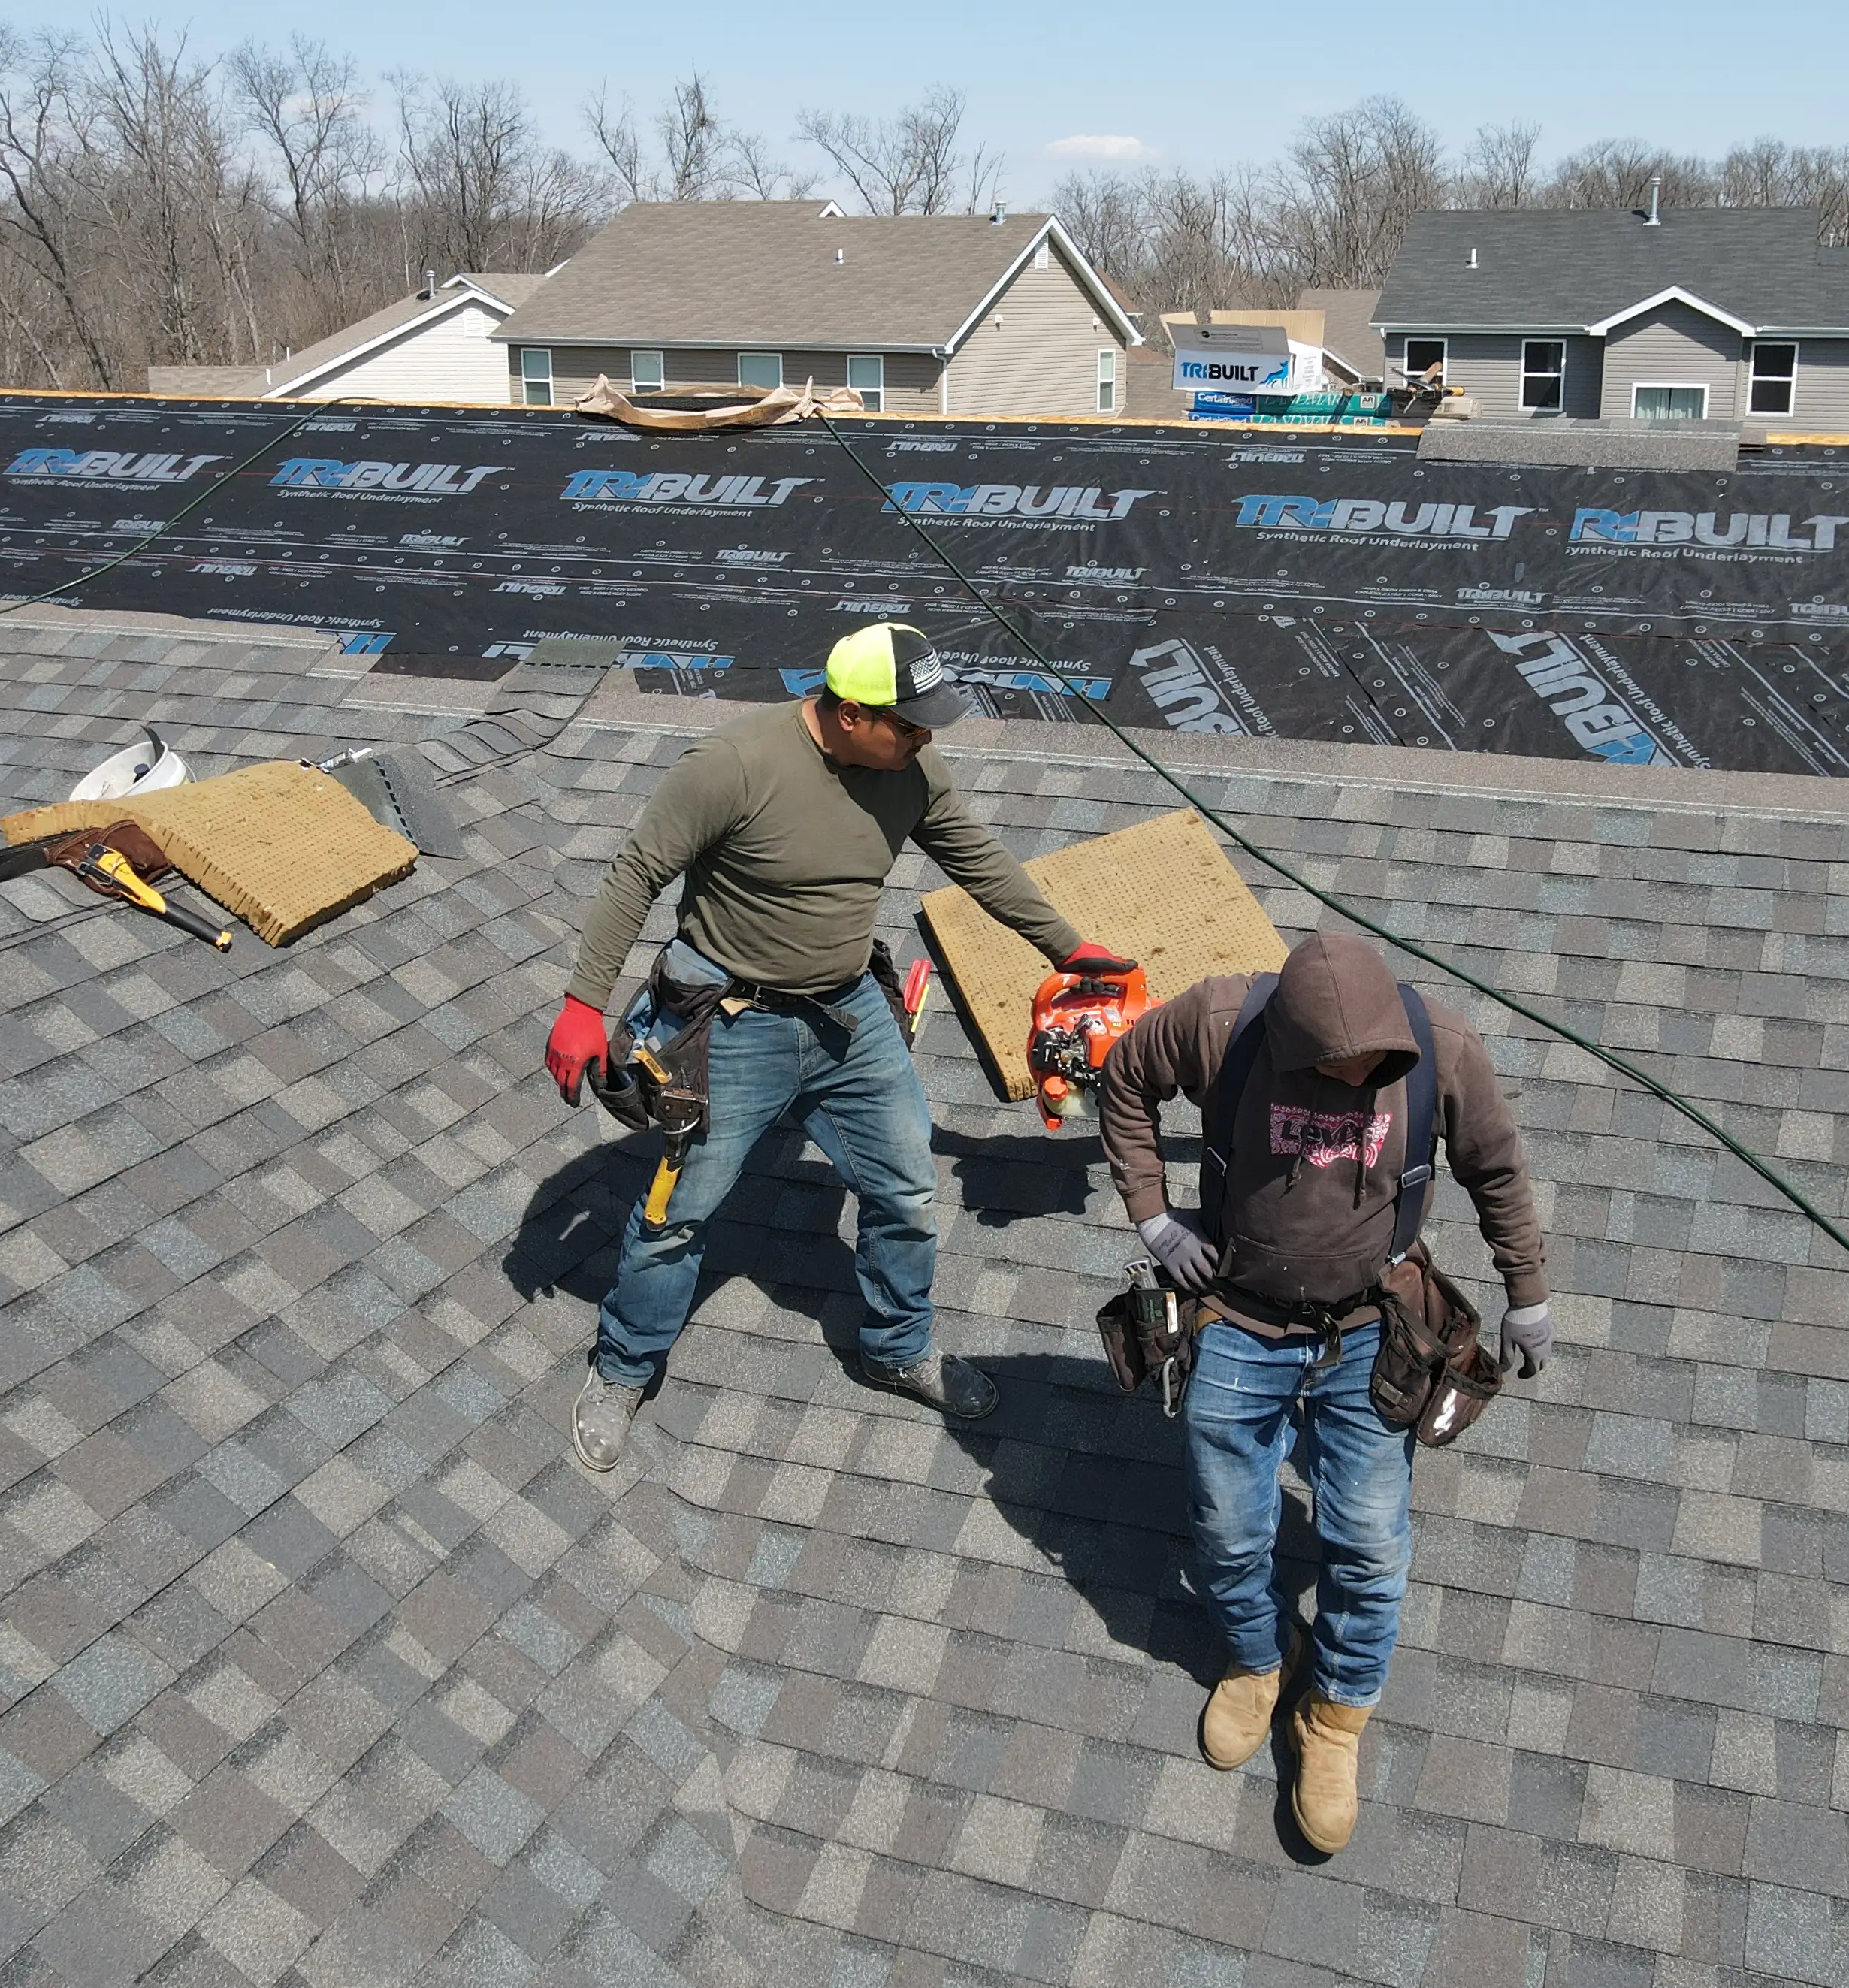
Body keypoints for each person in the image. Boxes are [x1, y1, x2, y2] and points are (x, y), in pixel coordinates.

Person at [543, 621, 1124, 1473]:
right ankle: (624, 1367)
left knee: (906, 1190)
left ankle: (896, 1347)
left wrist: (1067, 948)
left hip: (847, 1020)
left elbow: (980, 861)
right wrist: (581, 1005)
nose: (925, 738)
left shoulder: (911, 770)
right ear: (851, 714)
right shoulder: (735, 766)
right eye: (909, 723)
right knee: (678, 1215)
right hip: (734, 1024)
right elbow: (636, 872)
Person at [1095, 931, 1553, 1856]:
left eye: (1370, 1067)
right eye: (1330, 1069)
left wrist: (1529, 1291)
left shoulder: (1441, 1048)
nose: (1354, 1079)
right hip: (1237, 1313)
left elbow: (1496, 1169)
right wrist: (1150, 1214)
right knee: (1227, 1521)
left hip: (1367, 1326)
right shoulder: (1222, 1025)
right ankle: (1263, 1660)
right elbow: (1123, 1079)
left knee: (1370, 1539)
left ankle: (1334, 1716)